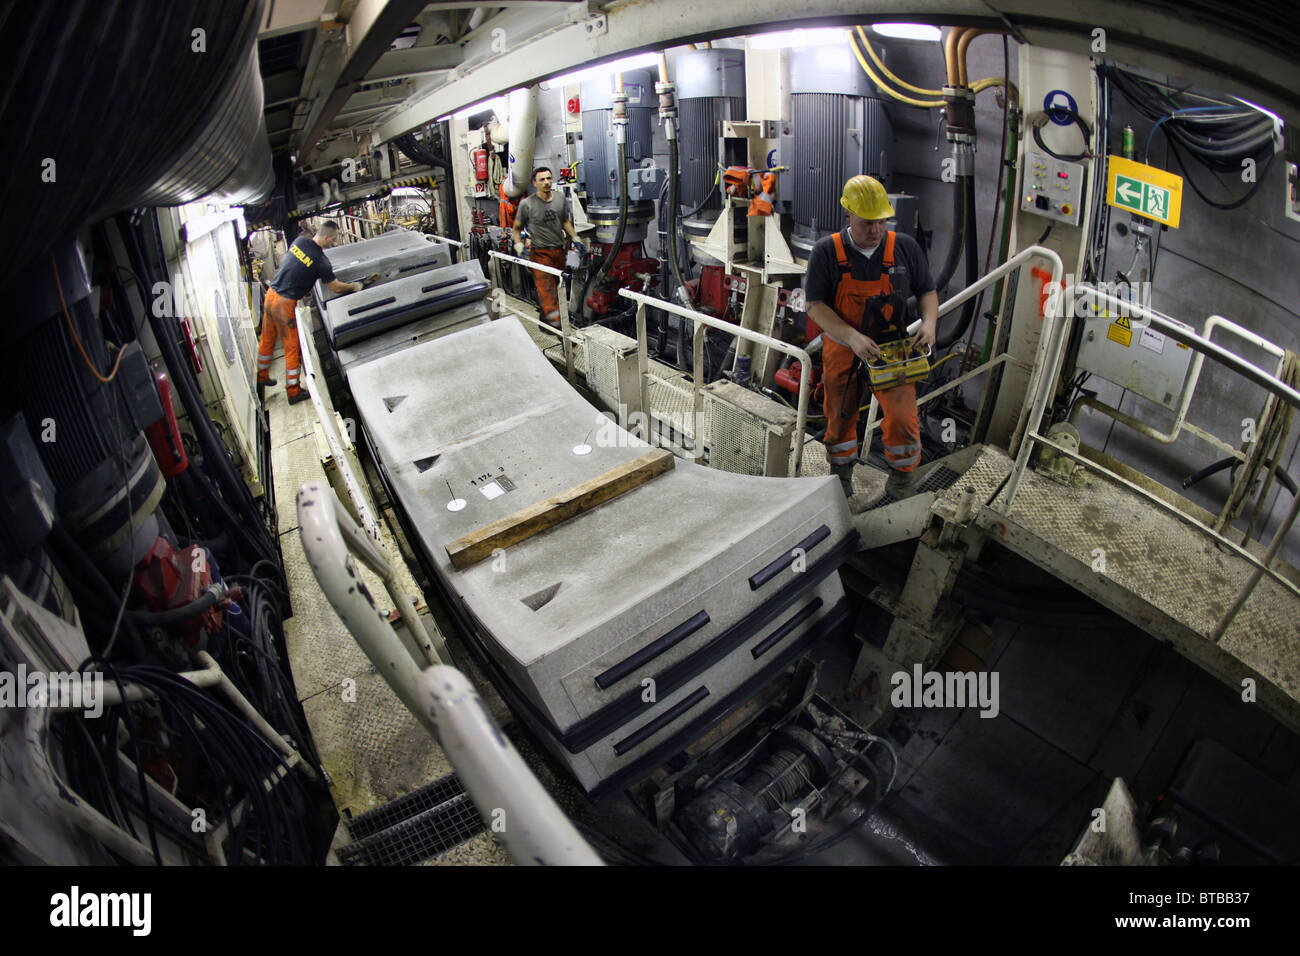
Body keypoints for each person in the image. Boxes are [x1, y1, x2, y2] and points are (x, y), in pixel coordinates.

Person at [803, 175, 939, 501]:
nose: (876, 230)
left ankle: (901, 483)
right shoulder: (826, 252)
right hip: (844, 345)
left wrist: (930, 323)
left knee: (904, 417)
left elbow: (927, 291)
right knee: (840, 415)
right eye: (867, 223)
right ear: (848, 215)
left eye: (881, 221)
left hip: (892, 348)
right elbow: (814, 305)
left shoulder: (904, 247)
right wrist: (851, 336)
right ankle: (841, 476)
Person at [258, 220, 361, 404]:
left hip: (271, 295)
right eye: (334, 239)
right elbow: (335, 287)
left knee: (267, 338)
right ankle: (293, 391)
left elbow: (295, 266)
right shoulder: (321, 261)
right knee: (292, 348)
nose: (335, 242)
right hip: (284, 303)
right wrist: (353, 286)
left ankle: (261, 376)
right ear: (327, 236)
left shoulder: (299, 242)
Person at [511, 167, 584, 326]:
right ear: (534, 183)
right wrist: (518, 246)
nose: (546, 182)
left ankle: (548, 321)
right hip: (540, 255)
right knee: (548, 294)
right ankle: (562, 336)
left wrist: (575, 237)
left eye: (549, 178)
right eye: (542, 179)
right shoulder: (527, 204)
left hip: (559, 253)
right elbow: (516, 228)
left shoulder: (559, 199)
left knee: (558, 293)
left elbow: (564, 221)